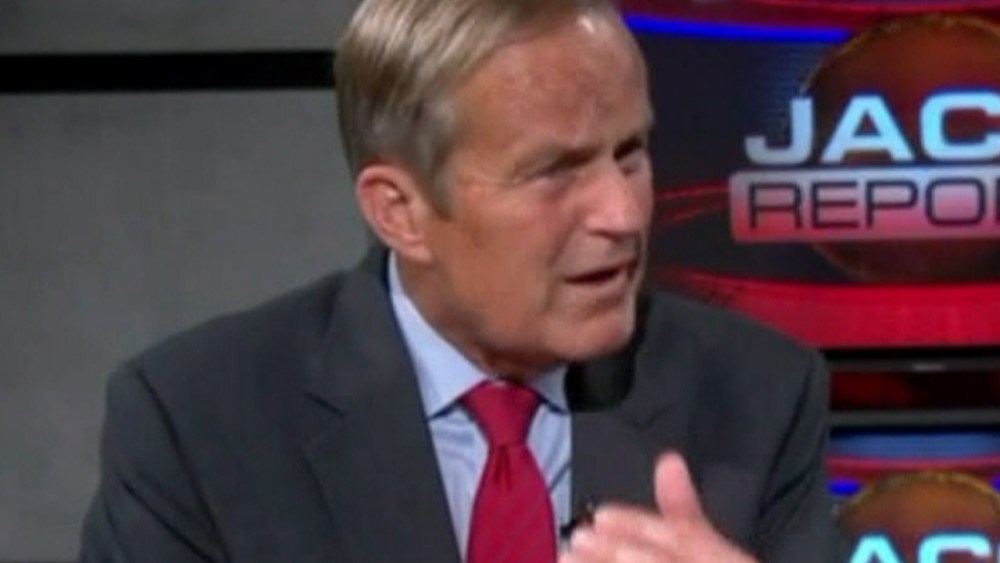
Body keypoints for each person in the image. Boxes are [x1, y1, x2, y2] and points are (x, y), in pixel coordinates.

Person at [78, 0, 837, 561]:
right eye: (555, 171)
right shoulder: (196, 423)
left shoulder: (757, 397)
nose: (623, 213)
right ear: (400, 211)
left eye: (630, 153)